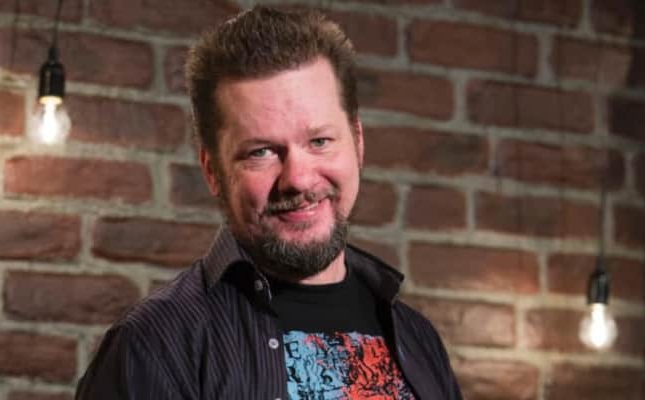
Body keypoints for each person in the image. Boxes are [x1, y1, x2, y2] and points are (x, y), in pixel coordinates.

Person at [76, 6, 462, 400]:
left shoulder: (418, 339)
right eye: (261, 152)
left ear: (357, 142)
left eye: (320, 141)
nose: (298, 178)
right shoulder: (154, 345)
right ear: (212, 170)